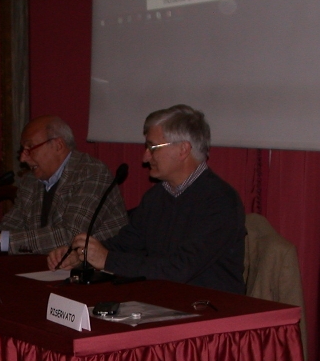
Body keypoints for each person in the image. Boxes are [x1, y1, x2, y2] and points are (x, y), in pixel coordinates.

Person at [48, 104, 246, 294]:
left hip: (209, 310)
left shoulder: (220, 201)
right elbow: (127, 244)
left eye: (153, 147)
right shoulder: (157, 196)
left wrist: (107, 259)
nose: (144, 157)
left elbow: (179, 269)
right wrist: (82, 255)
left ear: (183, 150)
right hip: (163, 300)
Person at [0, 116, 128, 254]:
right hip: (49, 270)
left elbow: (70, 236)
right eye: (22, 150)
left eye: (29, 148)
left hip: (97, 272)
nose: (23, 158)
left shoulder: (91, 173)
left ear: (57, 145)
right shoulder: (32, 181)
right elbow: (12, 227)